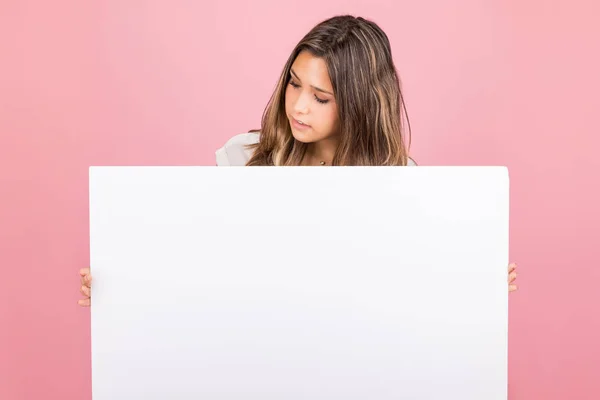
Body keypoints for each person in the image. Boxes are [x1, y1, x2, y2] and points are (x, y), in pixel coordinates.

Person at [77, 15, 518, 307]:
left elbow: (415, 290)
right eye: (293, 84)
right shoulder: (242, 160)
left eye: (321, 97)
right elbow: (198, 267)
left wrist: (475, 281)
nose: (298, 107)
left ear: (360, 106)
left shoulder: (401, 182)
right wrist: (122, 284)